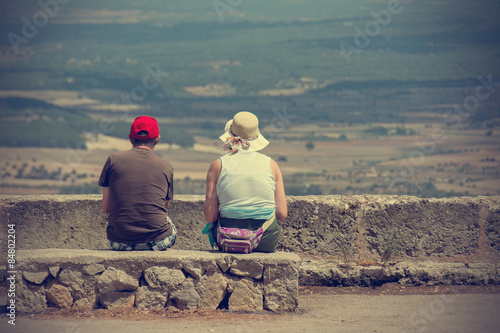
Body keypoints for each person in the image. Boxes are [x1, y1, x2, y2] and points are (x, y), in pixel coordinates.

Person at [204, 111, 287, 253]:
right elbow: (282, 214)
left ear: (230, 136)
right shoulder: (272, 165)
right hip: (266, 240)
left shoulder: (217, 165)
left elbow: (210, 217)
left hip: (228, 238)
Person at [98, 115, 177, 251]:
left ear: (130, 138)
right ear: (157, 139)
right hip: (158, 242)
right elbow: (164, 209)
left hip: (120, 243)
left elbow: (106, 208)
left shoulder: (113, 160)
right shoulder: (166, 166)